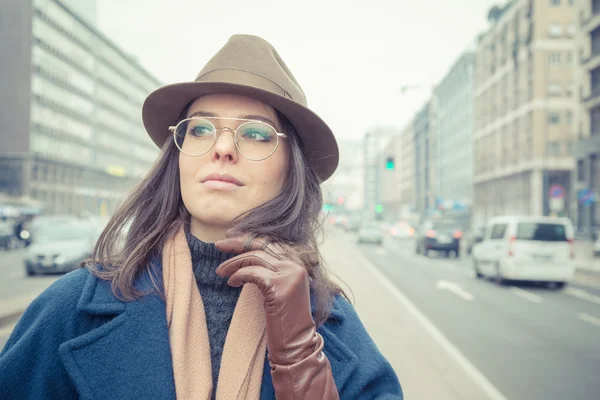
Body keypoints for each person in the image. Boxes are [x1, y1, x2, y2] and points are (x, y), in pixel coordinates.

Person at [0, 35, 402, 399]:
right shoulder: (70, 310)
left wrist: (299, 356)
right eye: (201, 128)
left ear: (290, 169)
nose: (223, 147)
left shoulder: (332, 328)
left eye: (255, 133)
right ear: (178, 156)